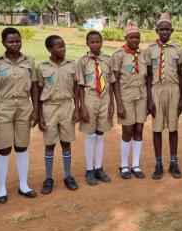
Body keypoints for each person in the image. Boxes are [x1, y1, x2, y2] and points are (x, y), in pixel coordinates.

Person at [0, 28, 40, 203]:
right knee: (4, 148)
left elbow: (34, 87)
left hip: (24, 107)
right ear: (3, 43)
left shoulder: (29, 61)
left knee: (22, 146)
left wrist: (35, 110)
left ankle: (23, 185)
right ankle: (1, 188)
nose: (15, 44)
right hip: (3, 107)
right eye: (10, 41)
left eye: (18, 41)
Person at [37, 35, 79, 194]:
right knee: (50, 144)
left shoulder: (71, 65)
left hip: (67, 106)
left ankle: (68, 176)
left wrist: (77, 108)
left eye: (64, 46)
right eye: (59, 46)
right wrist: (40, 115)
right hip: (49, 108)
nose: (63, 49)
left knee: (66, 143)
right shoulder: (42, 67)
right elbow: (39, 91)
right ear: (50, 49)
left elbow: (76, 88)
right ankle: (48, 178)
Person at [145, 12, 182, 180]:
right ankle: (158, 163)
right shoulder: (150, 50)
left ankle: (173, 162)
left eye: (167, 29)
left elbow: (181, 75)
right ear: (157, 31)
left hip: (174, 90)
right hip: (156, 90)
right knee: (157, 128)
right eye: (162, 29)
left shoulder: (178, 50)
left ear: (172, 31)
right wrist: (149, 99)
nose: (165, 32)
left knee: (173, 128)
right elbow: (148, 76)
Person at [77, 30, 116, 185]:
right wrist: (82, 107)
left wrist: (112, 103)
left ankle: (99, 168)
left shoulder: (108, 60)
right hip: (90, 98)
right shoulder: (83, 62)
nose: (95, 44)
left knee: (100, 133)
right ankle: (89, 170)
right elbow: (80, 86)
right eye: (92, 42)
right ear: (87, 44)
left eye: (98, 41)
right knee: (90, 134)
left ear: (102, 42)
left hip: (105, 98)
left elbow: (111, 83)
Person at [113, 21, 148, 179]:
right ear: (125, 38)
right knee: (127, 131)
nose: (134, 40)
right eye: (131, 37)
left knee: (139, 130)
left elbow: (147, 78)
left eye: (137, 37)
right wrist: (119, 104)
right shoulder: (119, 55)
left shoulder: (143, 54)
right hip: (126, 97)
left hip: (141, 96)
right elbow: (115, 81)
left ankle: (135, 164)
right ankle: (124, 165)